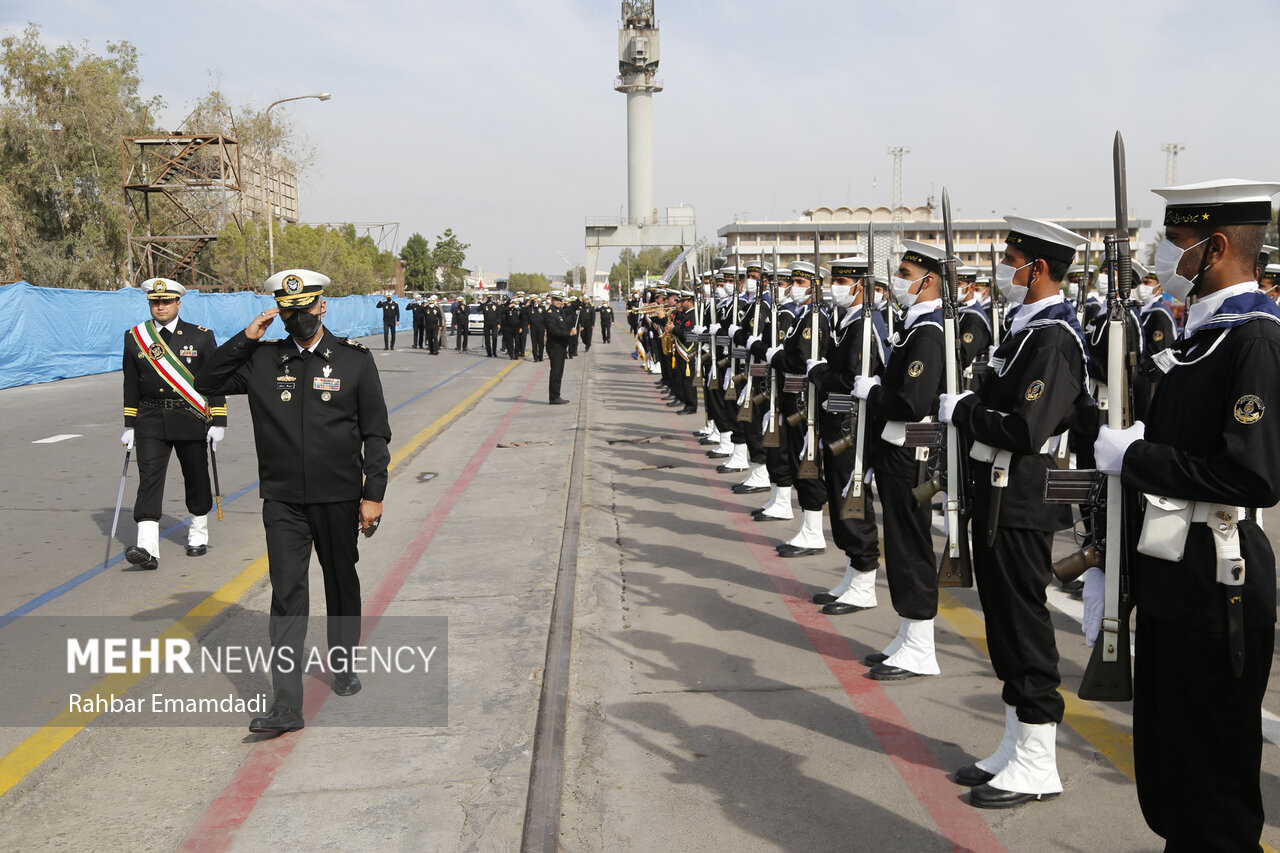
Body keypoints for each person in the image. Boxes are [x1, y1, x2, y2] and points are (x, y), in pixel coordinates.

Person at [1094, 180, 1280, 849]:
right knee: (1173, 778)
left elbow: (1252, 474)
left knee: (1214, 793)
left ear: (1218, 246)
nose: (1163, 255)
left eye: (1176, 243)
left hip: (1217, 588)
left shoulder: (1253, 340)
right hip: (1175, 579)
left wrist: (1139, 457)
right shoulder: (1205, 338)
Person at [195, 269, 391, 733]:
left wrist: (373, 494)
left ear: (322, 306)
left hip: (339, 497)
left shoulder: (354, 361)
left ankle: (343, 663)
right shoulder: (263, 360)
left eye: (304, 310)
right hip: (282, 500)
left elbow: (375, 433)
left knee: (341, 583)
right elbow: (208, 379)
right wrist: (247, 337)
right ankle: (286, 706)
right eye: (288, 311)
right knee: (287, 596)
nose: (296, 319)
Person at [940, 216, 1093, 808]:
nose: (1003, 267)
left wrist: (963, 413)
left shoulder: (1054, 337)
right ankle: (1015, 742)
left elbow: (1027, 430)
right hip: (998, 494)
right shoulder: (1023, 330)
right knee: (1002, 623)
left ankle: (1039, 759)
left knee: (1025, 627)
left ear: (1038, 268)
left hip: (1025, 499)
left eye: (1010, 258)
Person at [854, 240, 946, 680]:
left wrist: (872, 392)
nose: (899, 280)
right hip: (897, 450)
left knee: (911, 549)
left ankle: (922, 647)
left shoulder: (929, 332)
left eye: (906, 273)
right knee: (902, 546)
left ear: (929, 280)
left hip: (912, 453)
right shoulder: (914, 326)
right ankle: (909, 634)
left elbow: (912, 403)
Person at [121, 278, 228, 569]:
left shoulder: (201, 336)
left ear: (178, 303)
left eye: (166, 301)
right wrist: (130, 423)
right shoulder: (135, 337)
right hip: (151, 419)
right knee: (149, 478)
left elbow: (214, 380)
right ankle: (147, 548)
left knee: (196, 475)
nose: (160, 306)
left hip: (190, 417)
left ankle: (197, 532)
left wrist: (218, 419)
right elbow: (131, 382)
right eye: (155, 302)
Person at [545, 291, 577, 404]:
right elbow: (554, 331)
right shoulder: (550, 313)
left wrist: (581, 297)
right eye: (557, 299)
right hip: (555, 346)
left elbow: (571, 310)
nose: (559, 302)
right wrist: (569, 333)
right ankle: (554, 397)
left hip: (561, 346)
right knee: (556, 372)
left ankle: (556, 395)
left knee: (559, 372)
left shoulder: (560, 311)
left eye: (561, 300)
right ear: (552, 299)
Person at [528, 296, 548, 361]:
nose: (535, 301)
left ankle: (540, 357)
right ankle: (535, 358)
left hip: (541, 327)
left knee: (541, 342)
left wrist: (546, 327)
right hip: (533, 327)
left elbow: (545, 317)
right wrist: (527, 304)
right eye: (533, 300)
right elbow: (524, 314)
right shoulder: (529, 308)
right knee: (534, 343)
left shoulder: (542, 307)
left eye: (536, 300)